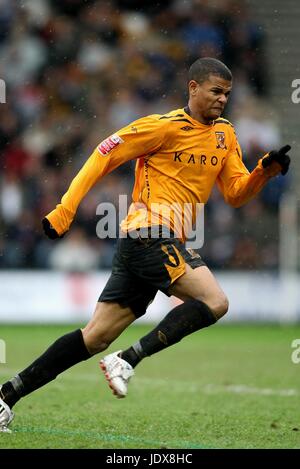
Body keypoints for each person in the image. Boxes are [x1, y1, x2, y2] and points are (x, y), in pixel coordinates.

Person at [0, 57, 291, 432]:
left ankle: (5, 396)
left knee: (94, 338)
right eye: (216, 91)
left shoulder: (225, 135)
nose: (222, 99)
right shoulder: (163, 127)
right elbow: (103, 153)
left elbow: (235, 193)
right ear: (193, 88)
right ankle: (129, 359)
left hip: (152, 242)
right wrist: (64, 209)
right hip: (149, 232)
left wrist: (263, 172)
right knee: (216, 301)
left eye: (228, 94)